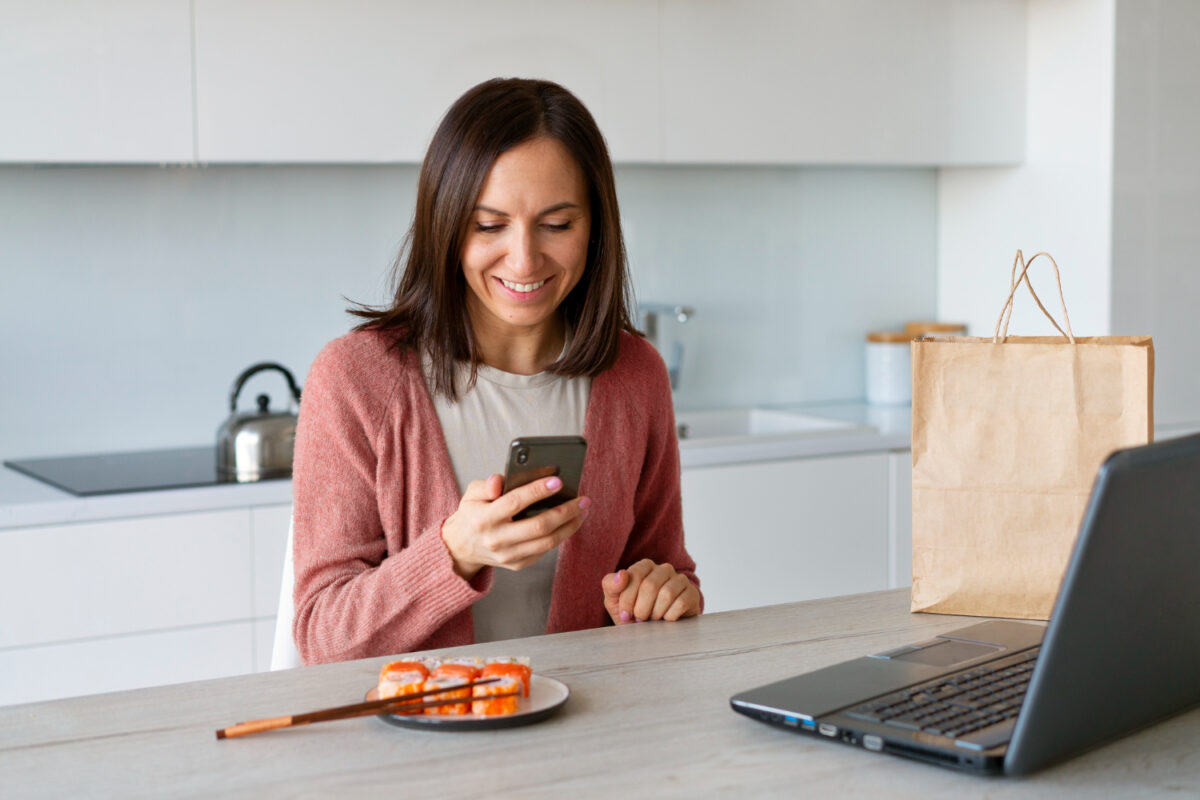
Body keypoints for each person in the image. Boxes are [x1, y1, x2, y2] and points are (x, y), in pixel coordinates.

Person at [291, 77, 701, 664]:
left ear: (597, 227)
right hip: (421, 744)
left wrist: (664, 597)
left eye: (557, 225)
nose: (524, 258)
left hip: (593, 736)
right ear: (446, 224)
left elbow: (666, 576)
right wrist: (453, 552)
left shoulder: (635, 375)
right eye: (489, 226)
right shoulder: (356, 380)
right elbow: (322, 636)